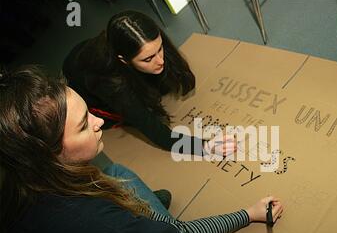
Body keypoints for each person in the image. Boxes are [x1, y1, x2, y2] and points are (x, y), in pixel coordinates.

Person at [0, 66, 284, 233]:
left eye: (89, 113)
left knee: (118, 174)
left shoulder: (24, 173)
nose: (99, 121)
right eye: (84, 125)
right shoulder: (91, 222)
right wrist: (250, 214)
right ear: (49, 153)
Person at [63, 10, 235, 157]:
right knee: (139, 111)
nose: (161, 60)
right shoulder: (111, 84)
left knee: (162, 85)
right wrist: (206, 146)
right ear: (124, 60)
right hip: (90, 90)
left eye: (159, 48)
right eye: (148, 58)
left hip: (93, 55)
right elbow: (158, 134)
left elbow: (175, 71)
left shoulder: (143, 43)